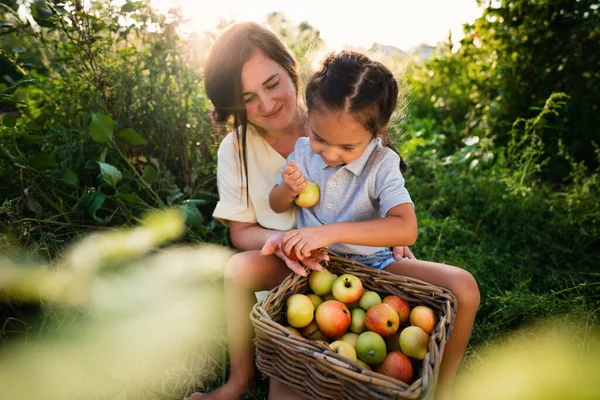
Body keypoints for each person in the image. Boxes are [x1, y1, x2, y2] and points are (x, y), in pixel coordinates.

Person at [185, 21, 479, 400]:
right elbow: (245, 230)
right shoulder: (278, 149)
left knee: (457, 291)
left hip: (358, 264)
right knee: (244, 280)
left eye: (272, 84)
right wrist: (290, 238)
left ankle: (439, 391)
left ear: (291, 67)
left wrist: (380, 235)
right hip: (296, 267)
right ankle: (240, 381)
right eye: (247, 97)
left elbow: (395, 214)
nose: (267, 104)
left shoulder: (338, 112)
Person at [270, 51, 417, 268]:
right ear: (308, 114)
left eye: (347, 147)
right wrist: (288, 188)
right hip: (312, 260)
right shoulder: (303, 152)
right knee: (244, 268)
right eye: (318, 138)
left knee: (463, 287)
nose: (329, 155)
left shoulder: (381, 163)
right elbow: (276, 204)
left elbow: (407, 228)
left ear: (376, 131)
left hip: (374, 263)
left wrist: (329, 233)